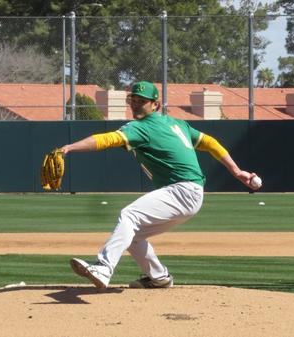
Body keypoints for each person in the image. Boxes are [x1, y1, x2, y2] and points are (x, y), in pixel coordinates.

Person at [61, 80, 259, 290]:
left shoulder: (141, 128)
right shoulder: (177, 124)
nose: (136, 104)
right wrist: (236, 171)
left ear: (155, 104)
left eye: (142, 101)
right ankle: (159, 276)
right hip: (190, 193)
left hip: (181, 190)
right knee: (133, 235)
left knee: (129, 215)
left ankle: (104, 267)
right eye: (133, 100)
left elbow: (107, 139)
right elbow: (209, 142)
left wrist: (71, 147)